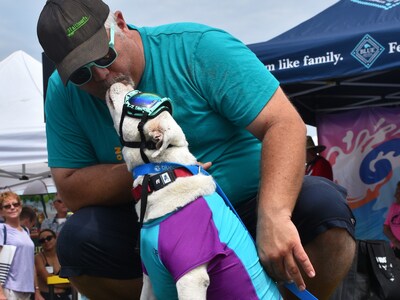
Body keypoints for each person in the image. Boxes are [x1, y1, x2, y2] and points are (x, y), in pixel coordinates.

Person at [36, 1, 356, 299]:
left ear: (120, 23)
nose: (101, 76)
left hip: (246, 206)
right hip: (155, 219)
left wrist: (275, 216)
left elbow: (285, 124)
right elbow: (71, 186)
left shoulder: (197, 47)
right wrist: (160, 166)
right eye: (81, 73)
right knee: (77, 243)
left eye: (104, 56)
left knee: (323, 207)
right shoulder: (62, 95)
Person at [0, 192, 44, 300]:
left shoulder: (26, 231)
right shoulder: (2, 229)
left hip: (26, 290)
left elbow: (30, 263)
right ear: (1, 212)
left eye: (15, 204)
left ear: (20, 207)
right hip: (9, 289)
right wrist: (0, 293)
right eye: (7, 206)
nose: (12, 207)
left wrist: (37, 290)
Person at [35, 229, 72, 300]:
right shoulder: (38, 258)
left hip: (65, 296)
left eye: (49, 238)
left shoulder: (63, 256)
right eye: (42, 240)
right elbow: (47, 279)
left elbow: (73, 278)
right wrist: (69, 284)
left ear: (55, 239)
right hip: (46, 296)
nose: (46, 241)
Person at [383, 181, 400, 259]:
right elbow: (386, 228)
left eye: (398, 192)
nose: (395, 195)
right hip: (395, 249)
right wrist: (395, 241)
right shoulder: (393, 207)